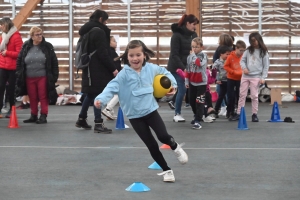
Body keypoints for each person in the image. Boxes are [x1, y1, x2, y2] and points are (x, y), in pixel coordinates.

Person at [94, 40, 188, 183]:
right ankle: (167, 170)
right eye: (131, 55)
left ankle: (175, 147)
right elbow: (111, 87)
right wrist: (101, 99)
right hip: (135, 116)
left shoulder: (151, 68)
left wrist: (172, 87)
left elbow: (166, 73)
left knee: (163, 136)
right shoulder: (123, 75)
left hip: (151, 111)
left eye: (138, 54)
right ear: (127, 57)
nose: (135, 58)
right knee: (151, 145)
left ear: (144, 55)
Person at [75, 9, 118, 133]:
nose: (106, 23)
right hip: (97, 68)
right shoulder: (98, 32)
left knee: (90, 93)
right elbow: (103, 53)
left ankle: (82, 118)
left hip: (88, 67)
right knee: (98, 94)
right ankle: (98, 123)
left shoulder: (86, 31)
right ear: (100, 19)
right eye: (105, 20)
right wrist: (113, 68)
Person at [15, 26, 59, 124]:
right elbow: (19, 60)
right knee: (32, 96)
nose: (40, 36)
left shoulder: (48, 46)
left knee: (43, 96)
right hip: (28, 77)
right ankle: (33, 115)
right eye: (37, 35)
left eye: (41, 34)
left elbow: (54, 62)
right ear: (32, 37)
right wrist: (19, 73)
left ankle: (43, 115)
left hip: (43, 76)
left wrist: (54, 76)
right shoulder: (26, 46)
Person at [230, 32, 270, 122]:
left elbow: (266, 66)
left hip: (256, 76)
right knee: (242, 94)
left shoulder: (264, 52)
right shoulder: (248, 51)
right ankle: (239, 113)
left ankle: (254, 114)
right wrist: (244, 68)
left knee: (254, 96)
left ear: (259, 40)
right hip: (245, 76)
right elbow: (242, 61)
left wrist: (263, 77)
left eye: (255, 40)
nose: (254, 43)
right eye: (251, 41)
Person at [167, 14, 199, 122]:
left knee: (194, 89)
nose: (195, 27)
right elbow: (174, 54)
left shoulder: (194, 35)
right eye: (193, 24)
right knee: (183, 88)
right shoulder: (176, 36)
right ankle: (177, 114)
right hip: (176, 67)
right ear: (187, 23)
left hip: (189, 67)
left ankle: (198, 114)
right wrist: (183, 68)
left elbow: (196, 51)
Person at [0, 17, 23, 118]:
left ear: (6, 24)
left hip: (13, 68)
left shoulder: (16, 36)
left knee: (11, 90)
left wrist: (7, 53)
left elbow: (20, 53)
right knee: (0, 88)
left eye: (2, 24)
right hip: (2, 66)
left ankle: (12, 108)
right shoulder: (2, 36)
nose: (0, 26)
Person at [185, 37, 208, 129]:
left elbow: (199, 63)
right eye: (192, 47)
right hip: (192, 82)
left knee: (199, 101)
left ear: (201, 47)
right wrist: (186, 80)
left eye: (196, 47)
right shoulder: (189, 57)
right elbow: (188, 69)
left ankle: (198, 120)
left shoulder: (204, 56)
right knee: (191, 100)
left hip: (201, 83)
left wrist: (193, 55)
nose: (194, 49)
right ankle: (197, 115)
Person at [223, 40, 247, 120]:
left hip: (240, 79)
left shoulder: (243, 57)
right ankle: (230, 111)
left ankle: (238, 112)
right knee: (231, 96)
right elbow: (226, 66)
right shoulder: (230, 56)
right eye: (240, 50)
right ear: (236, 48)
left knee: (239, 95)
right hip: (231, 78)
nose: (242, 52)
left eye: (243, 50)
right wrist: (232, 71)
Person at [101, 36, 122, 120]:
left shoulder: (110, 52)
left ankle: (110, 113)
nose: (116, 43)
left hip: (110, 76)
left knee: (112, 94)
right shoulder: (111, 53)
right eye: (114, 41)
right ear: (109, 43)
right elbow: (114, 65)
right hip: (114, 76)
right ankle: (108, 109)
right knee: (119, 93)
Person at [213, 45, 231, 118]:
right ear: (221, 54)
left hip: (230, 80)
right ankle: (216, 111)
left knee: (230, 97)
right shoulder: (217, 62)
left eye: (229, 54)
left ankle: (229, 111)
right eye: (227, 54)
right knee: (221, 96)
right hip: (222, 81)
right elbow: (214, 72)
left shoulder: (230, 61)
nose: (228, 56)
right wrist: (216, 80)